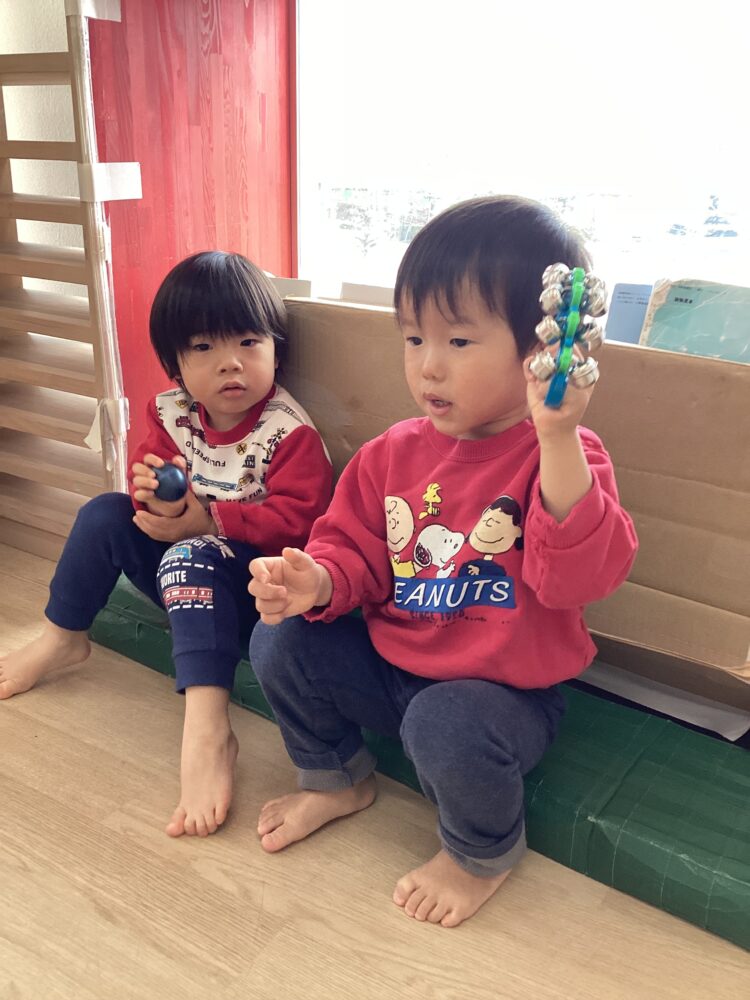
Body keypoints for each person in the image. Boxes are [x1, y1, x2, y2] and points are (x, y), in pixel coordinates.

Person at [247, 196, 638, 927]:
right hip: (394, 669)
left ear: (537, 352)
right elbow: (352, 548)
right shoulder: (389, 454)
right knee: (278, 639)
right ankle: (335, 778)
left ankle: (480, 853)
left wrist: (557, 439)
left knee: (445, 722)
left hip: (500, 700)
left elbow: (580, 580)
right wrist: (316, 581)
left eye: (458, 341)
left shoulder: (564, 456)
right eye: (413, 337)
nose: (428, 364)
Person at [0, 251, 333, 839]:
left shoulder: (289, 432)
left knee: (190, 554)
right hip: (180, 575)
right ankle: (62, 637)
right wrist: (161, 504)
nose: (231, 363)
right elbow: (147, 480)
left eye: (249, 342)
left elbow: (300, 524)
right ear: (176, 364)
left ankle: (208, 729)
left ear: (276, 350)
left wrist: (207, 523)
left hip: (248, 598)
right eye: (204, 347)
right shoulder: (171, 412)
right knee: (103, 513)